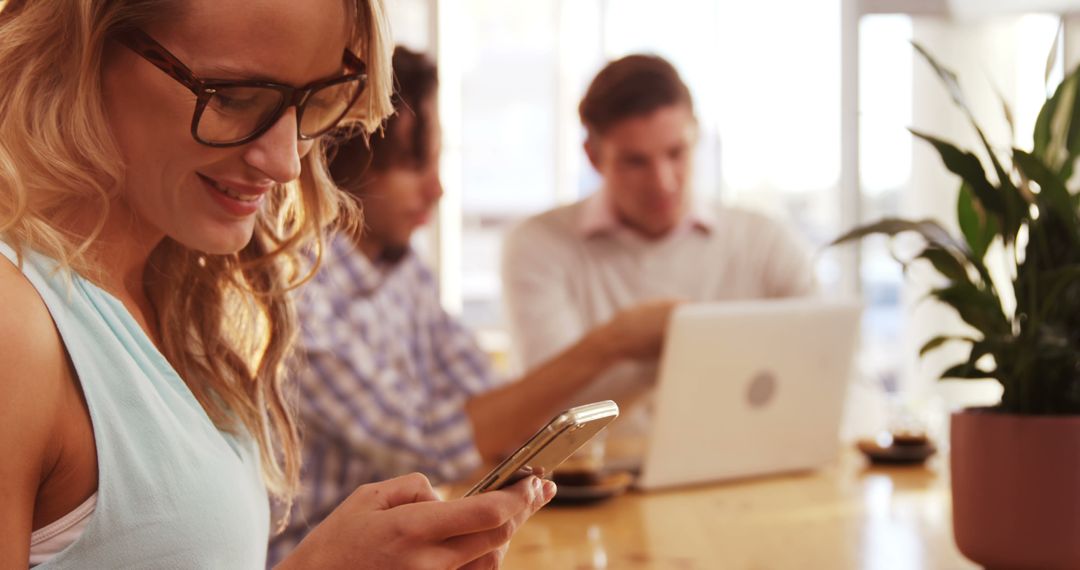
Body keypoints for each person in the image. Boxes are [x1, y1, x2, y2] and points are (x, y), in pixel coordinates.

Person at [0, 1, 552, 568]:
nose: (287, 162)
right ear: (78, 53)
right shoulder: (15, 324)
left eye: (317, 99)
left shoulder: (168, 300)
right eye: (234, 97)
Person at [270, 47, 676, 562]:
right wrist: (612, 343)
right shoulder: (299, 290)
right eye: (414, 163)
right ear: (341, 160)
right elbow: (431, 443)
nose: (437, 188)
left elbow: (493, 404)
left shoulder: (401, 271)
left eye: (438, 160)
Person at [501, 54, 816, 434]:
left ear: (696, 135)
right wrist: (618, 340)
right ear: (593, 156)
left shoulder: (766, 242)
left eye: (676, 153)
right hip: (602, 484)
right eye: (636, 162)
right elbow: (549, 411)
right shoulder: (539, 245)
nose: (663, 182)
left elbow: (831, 371)